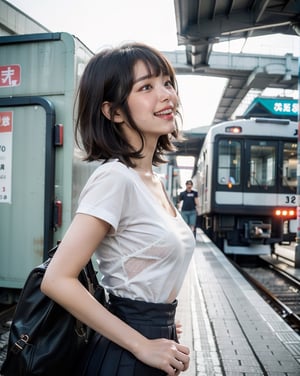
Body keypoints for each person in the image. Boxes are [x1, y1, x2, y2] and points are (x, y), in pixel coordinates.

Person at [41, 42, 195, 376]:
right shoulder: (115, 178)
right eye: (146, 87)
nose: (166, 95)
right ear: (114, 112)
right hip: (126, 358)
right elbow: (57, 279)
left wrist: (159, 321)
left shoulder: (148, 178)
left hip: (151, 343)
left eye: (167, 82)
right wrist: (142, 341)